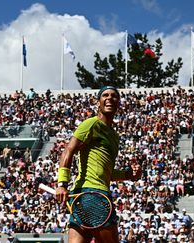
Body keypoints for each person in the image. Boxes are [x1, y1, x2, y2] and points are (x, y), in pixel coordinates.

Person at [55, 86, 142, 243]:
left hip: (82, 199)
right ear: (98, 102)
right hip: (94, 195)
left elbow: (104, 171)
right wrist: (62, 184)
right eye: (105, 95)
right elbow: (68, 150)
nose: (109, 98)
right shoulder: (91, 124)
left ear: (119, 103)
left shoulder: (114, 136)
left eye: (114, 96)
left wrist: (127, 175)